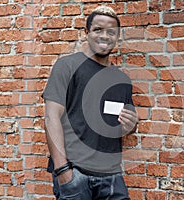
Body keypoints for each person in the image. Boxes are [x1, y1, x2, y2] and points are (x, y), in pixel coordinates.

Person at [42, 5, 139, 200]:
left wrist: (131, 125)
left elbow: (120, 125)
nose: (105, 36)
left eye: (111, 32)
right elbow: (51, 117)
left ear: (117, 36)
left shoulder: (122, 80)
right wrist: (63, 172)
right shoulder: (67, 66)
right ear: (86, 32)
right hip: (75, 172)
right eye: (98, 30)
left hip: (111, 175)